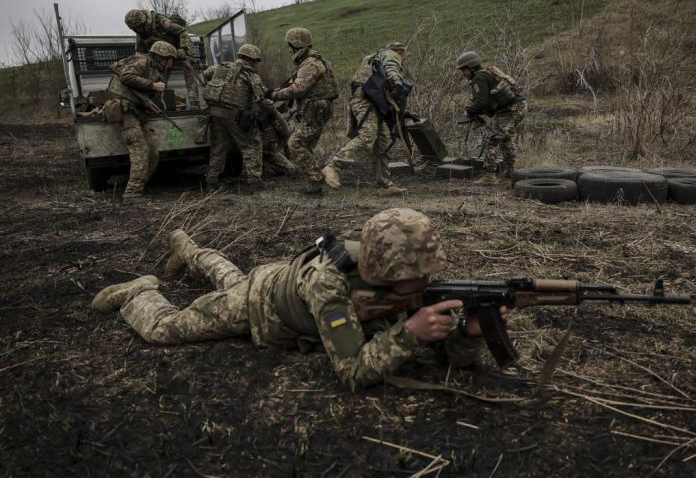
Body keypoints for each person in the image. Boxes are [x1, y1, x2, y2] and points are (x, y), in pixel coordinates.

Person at [91, 208, 507, 389]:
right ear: (385, 271)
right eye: (414, 277)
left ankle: (189, 251)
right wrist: (408, 335)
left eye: (426, 274)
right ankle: (139, 293)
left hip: (282, 280)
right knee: (168, 329)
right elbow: (352, 371)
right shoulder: (332, 286)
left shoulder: (410, 274)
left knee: (227, 276)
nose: (425, 282)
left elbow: (450, 358)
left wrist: (470, 333)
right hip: (261, 303)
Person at [321, 42, 411, 196]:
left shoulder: (375, 59)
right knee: (368, 138)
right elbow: (391, 67)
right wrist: (397, 82)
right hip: (366, 101)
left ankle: (385, 184)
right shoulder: (389, 55)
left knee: (381, 142)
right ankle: (333, 166)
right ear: (401, 53)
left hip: (374, 103)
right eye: (404, 56)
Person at [267, 28, 338, 196]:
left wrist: (273, 94)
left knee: (295, 144)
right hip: (318, 108)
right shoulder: (318, 61)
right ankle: (313, 185)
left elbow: (298, 89)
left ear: (296, 45)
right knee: (306, 145)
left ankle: (315, 178)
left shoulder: (309, 64)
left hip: (315, 109)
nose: (289, 50)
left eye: (290, 46)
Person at [105, 40, 177, 204]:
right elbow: (126, 77)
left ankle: (139, 186)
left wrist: (149, 103)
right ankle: (132, 193)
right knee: (140, 149)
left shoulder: (153, 69)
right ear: (160, 56)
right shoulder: (143, 61)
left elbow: (137, 91)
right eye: (169, 59)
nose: (170, 63)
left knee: (153, 152)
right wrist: (153, 85)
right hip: (125, 111)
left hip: (136, 111)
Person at [201, 44, 270, 193]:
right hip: (235, 116)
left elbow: (205, 75)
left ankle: (211, 181)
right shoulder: (250, 74)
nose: (256, 64)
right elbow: (261, 98)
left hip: (215, 114)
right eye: (256, 61)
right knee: (252, 145)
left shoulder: (220, 67)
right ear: (251, 60)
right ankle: (253, 181)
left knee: (218, 148)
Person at [455, 51, 527, 185]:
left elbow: (482, 102)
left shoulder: (479, 78)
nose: (463, 74)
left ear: (471, 67)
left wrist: (469, 111)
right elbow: (483, 100)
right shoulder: (486, 74)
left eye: (463, 70)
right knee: (506, 138)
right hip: (516, 107)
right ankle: (511, 171)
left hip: (510, 110)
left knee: (492, 139)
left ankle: (490, 176)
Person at [124, 9, 201, 109]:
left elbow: (182, 31)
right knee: (159, 78)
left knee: (188, 70)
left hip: (179, 49)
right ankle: (160, 104)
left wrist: (183, 49)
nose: (138, 31)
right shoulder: (140, 34)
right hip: (163, 56)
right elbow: (140, 54)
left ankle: (195, 104)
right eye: (135, 29)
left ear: (144, 21)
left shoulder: (160, 21)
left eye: (139, 27)